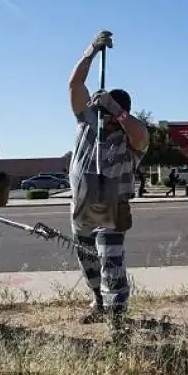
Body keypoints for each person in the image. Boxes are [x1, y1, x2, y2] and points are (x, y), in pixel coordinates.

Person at [68, 30, 149, 338]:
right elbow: (75, 85)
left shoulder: (131, 138)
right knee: (88, 259)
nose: (102, 113)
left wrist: (116, 110)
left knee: (110, 263)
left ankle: (117, 318)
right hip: (82, 202)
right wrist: (90, 50)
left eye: (109, 110)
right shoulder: (88, 123)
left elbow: (141, 135)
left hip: (111, 204)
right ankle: (98, 301)